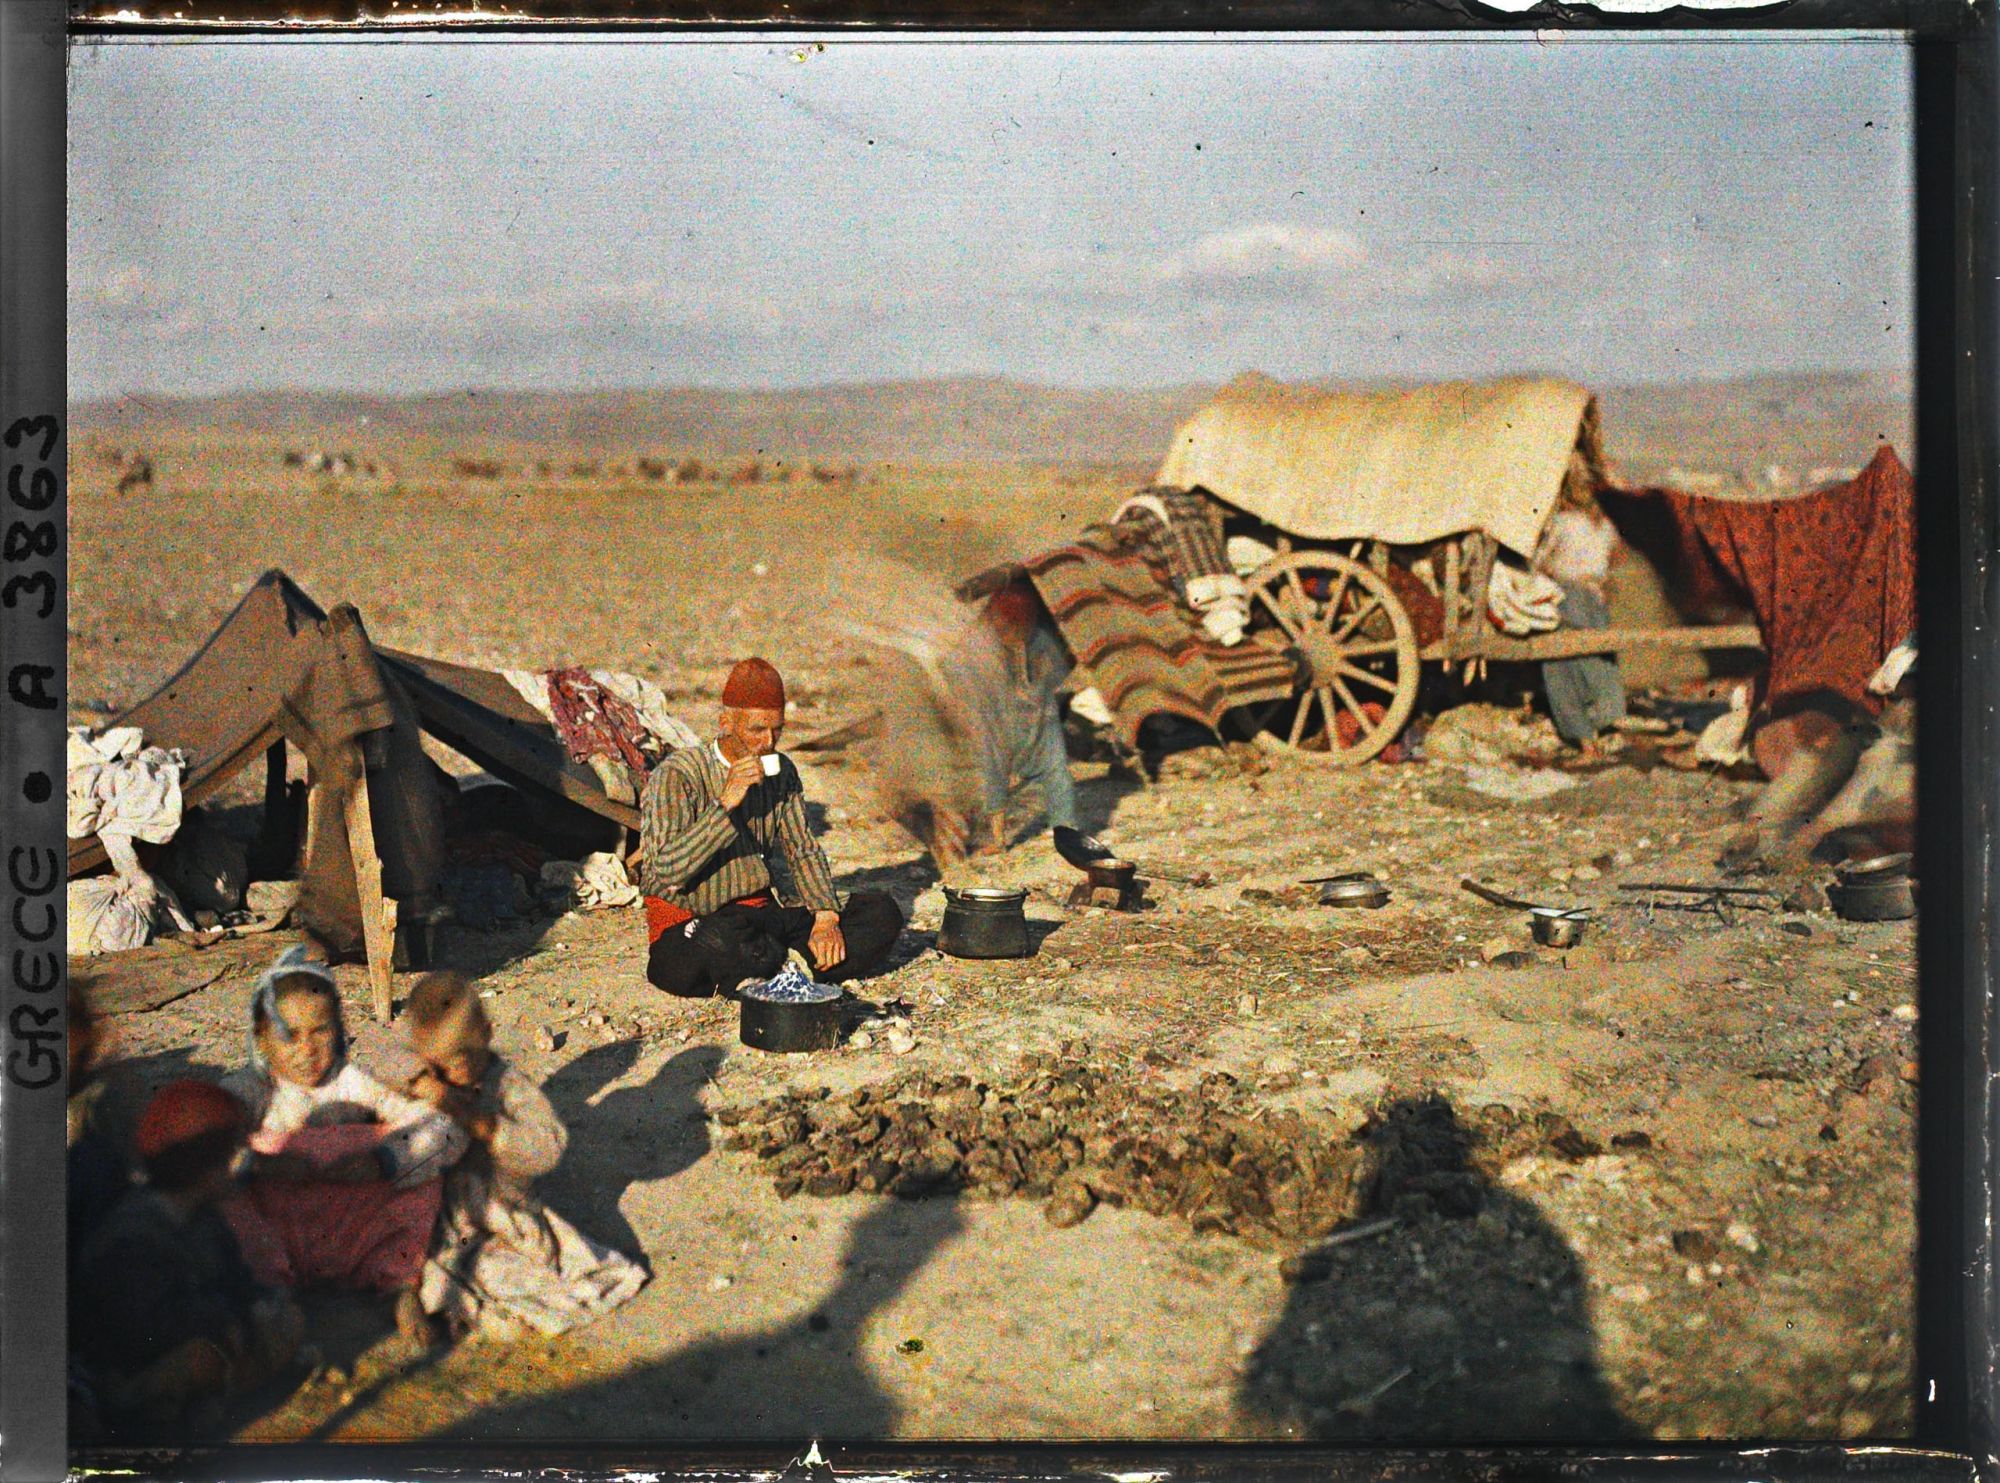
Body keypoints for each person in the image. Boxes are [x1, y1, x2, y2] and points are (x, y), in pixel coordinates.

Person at [218, 944, 469, 1348]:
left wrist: (384, 1161)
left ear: (338, 1028)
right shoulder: (250, 1090)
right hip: (280, 1231)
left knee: (420, 1165)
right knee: (227, 1198)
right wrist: (260, 1164)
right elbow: (199, 1146)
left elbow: (443, 1127)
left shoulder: (353, 1082)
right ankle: (273, 1293)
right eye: (289, 1036)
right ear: (261, 1039)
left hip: (352, 1228)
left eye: (320, 1031)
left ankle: (396, 1284)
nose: (307, 1050)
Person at [640, 657, 905, 998]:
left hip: (762, 917)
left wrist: (825, 917)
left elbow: (803, 850)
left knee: (881, 913)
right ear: (725, 722)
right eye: (756, 730)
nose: (768, 741)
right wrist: (725, 804)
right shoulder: (678, 774)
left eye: (777, 729)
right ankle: (782, 964)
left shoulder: (782, 772)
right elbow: (668, 870)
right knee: (695, 955)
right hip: (699, 920)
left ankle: (776, 966)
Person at [402, 971, 646, 1339]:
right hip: (441, 1211)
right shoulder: (434, 1079)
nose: (448, 1073)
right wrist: (420, 1088)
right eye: (437, 1064)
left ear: (486, 1034)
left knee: (511, 1273)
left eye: (458, 1059)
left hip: (503, 1213)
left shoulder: (507, 1086)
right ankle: (407, 1292)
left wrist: (485, 1126)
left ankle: (449, 1298)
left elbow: (547, 1147)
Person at [70, 1081, 304, 1434]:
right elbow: (146, 1327)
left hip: (204, 1333)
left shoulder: (204, 1217)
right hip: (131, 1366)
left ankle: (208, 1397)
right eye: (233, 1153)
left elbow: (236, 1278)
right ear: (205, 1165)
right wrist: (222, 1320)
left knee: (287, 1319)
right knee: (201, 1360)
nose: (243, 1160)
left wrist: (248, 1309)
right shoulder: (134, 1234)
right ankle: (154, 1410)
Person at [947, 582, 1081, 859]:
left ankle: (1065, 829)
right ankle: (998, 839)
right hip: (997, 715)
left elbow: (1058, 667)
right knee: (994, 772)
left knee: (1055, 771)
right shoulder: (981, 643)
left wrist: (1038, 688)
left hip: (1039, 714)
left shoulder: (1040, 639)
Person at [1533, 502, 1628, 757]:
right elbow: (1615, 558)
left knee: (1562, 667)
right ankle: (1600, 732)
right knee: (1597, 664)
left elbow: (1539, 561)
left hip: (1570, 595)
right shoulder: (1605, 525)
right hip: (1592, 596)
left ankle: (1586, 740)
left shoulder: (1565, 522)